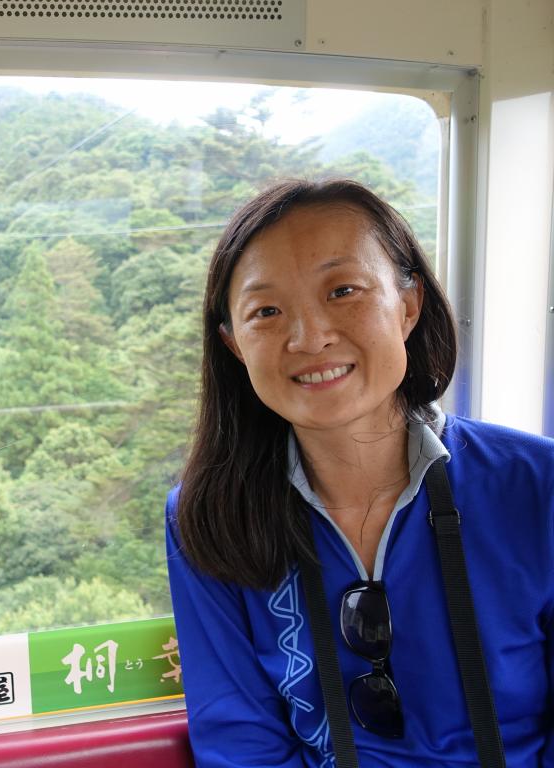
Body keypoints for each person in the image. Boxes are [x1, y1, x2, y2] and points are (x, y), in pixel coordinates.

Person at [165, 178, 554, 766]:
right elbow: (240, 740)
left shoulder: (538, 487)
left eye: (343, 290)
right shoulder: (210, 515)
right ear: (235, 344)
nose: (310, 337)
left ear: (409, 304)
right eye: (266, 311)